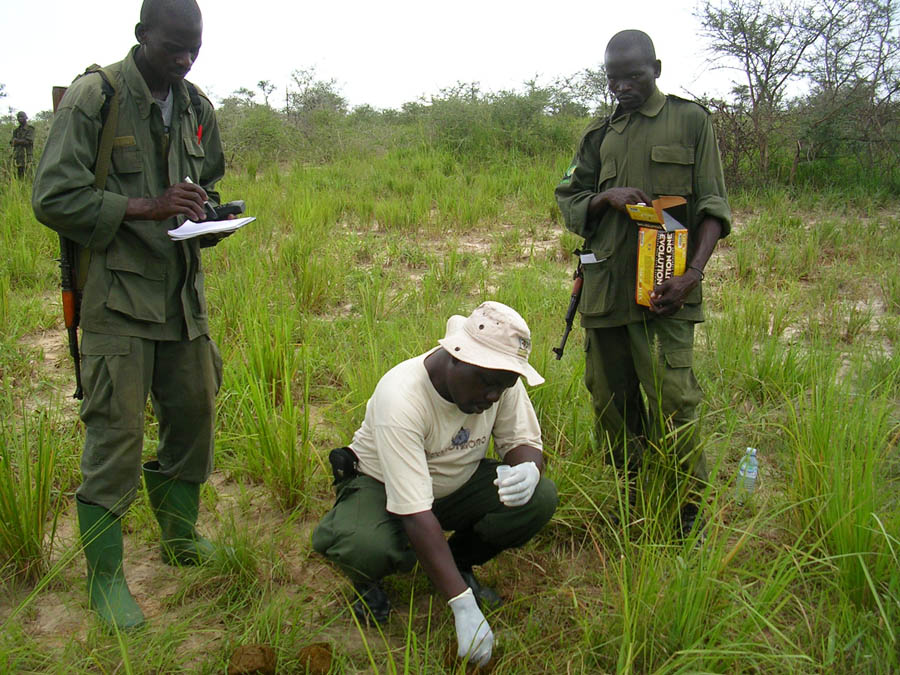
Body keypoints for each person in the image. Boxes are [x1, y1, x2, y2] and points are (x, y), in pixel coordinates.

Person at [32, 0, 231, 631]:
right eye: (173, 46)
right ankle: (107, 578)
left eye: (193, 47)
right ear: (141, 35)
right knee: (114, 436)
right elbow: (54, 196)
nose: (184, 58)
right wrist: (149, 206)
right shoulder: (97, 97)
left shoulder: (195, 104)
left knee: (195, 410)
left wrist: (210, 217)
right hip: (117, 298)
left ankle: (179, 536)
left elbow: (205, 181)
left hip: (181, 296)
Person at [554, 29, 731, 537]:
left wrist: (691, 276)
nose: (623, 87)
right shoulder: (598, 135)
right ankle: (635, 493)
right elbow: (568, 197)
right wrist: (603, 199)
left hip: (666, 293)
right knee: (611, 399)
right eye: (613, 77)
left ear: (656, 67)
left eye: (633, 75)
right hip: (606, 289)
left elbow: (713, 209)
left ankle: (687, 510)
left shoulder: (690, 121)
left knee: (674, 399)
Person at [312, 301, 558, 667]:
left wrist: (528, 469)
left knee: (538, 497)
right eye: (488, 384)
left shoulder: (499, 380)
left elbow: (522, 442)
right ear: (456, 356)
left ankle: (456, 563)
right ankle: (368, 579)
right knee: (365, 547)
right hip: (381, 486)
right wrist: (463, 607)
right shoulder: (402, 397)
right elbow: (414, 510)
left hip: (454, 484)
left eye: (502, 388)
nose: (493, 397)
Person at [10, 111, 35, 178]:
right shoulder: (16, 131)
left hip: (27, 156)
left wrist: (17, 141)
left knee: (29, 176)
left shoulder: (30, 129)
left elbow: (28, 141)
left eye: (21, 117)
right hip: (18, 157)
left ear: (26, 117)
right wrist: (16, 142)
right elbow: (12, 142)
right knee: (19, 177)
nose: (20, 118)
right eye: (18, 117)